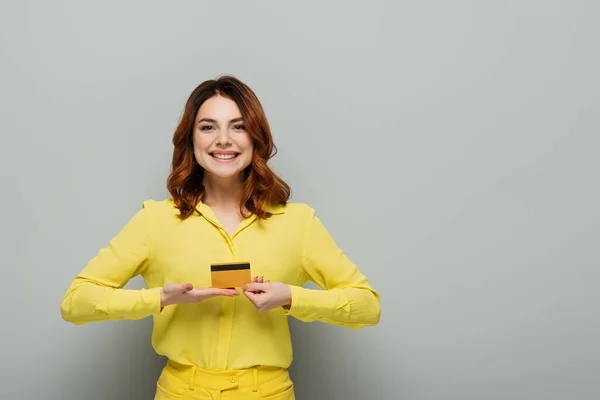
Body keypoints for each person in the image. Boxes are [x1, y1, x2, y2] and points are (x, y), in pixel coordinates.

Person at [60, 75, 381, 400]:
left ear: (256, 138)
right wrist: (160, 298)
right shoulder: (155, 220)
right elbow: (76, 302)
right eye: (208, 127)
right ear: (191, 139)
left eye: (238, 127)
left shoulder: (298, 223)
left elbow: (368, 307)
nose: (223, 139)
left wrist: (290, 297)